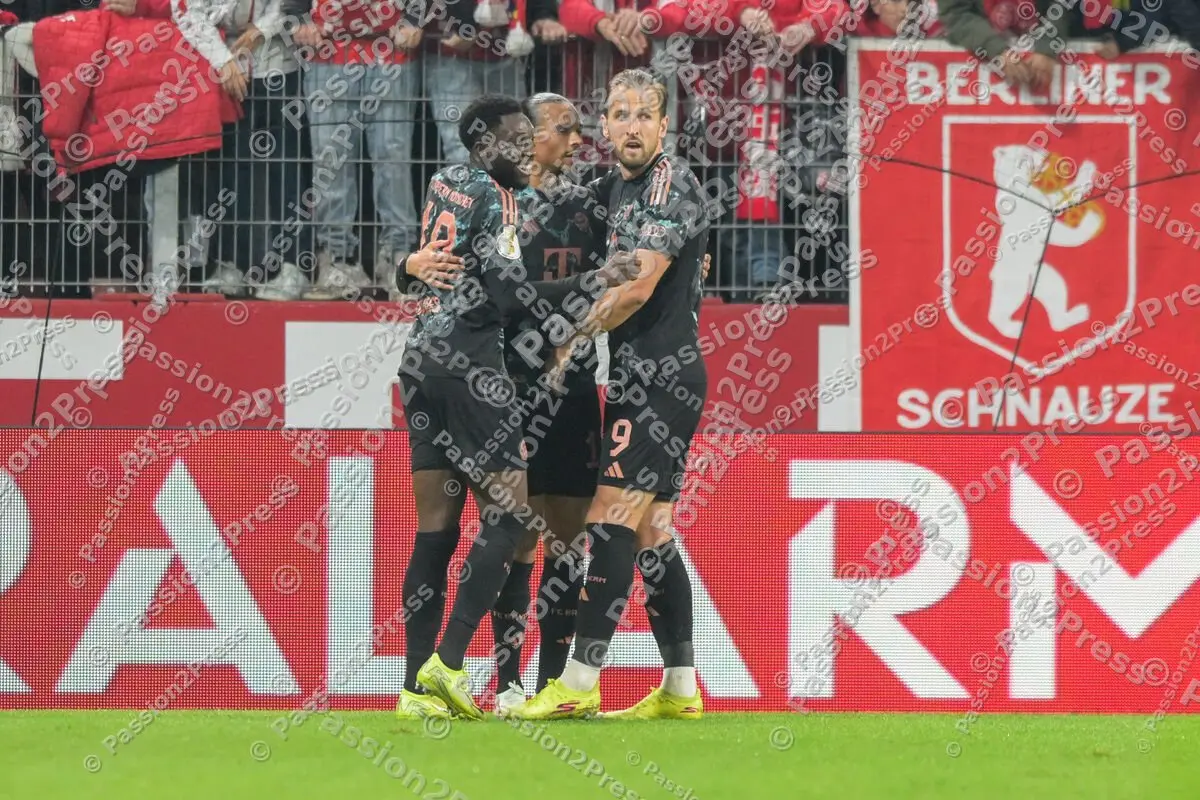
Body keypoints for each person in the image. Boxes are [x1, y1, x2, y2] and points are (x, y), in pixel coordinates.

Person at [392, 94, 636, 721]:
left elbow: (427, 266)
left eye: (534, 136)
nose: (528, 147)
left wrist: (404, 265)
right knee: (509, 519)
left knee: (435, 533)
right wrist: (598, 278)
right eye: (517, 137)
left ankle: (415, 694)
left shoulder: (446, 180)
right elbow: (509, 298)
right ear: (486, 144)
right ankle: (447, 667)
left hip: (419, 365)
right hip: (474, 369)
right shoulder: (496, 198)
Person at [511, 68, 708, 721]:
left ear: (661, 124)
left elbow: (636, 288)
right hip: (637, 377)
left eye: (642, 115)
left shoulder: (668, 186)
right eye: (619, 115)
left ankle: (578, 680)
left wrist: (567, 337)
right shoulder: (613, 187)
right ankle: (680, 689)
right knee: (654, 529)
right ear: (605, 125)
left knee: (610, 519)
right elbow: (555, 210)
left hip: (660, 379)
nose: (630, 126)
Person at [939, 0, 1070, 90]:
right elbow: (955, 14)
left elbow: (1064, 5)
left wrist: (1048, 46)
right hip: (979, 59)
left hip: (1040, 53)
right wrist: (995, 49)